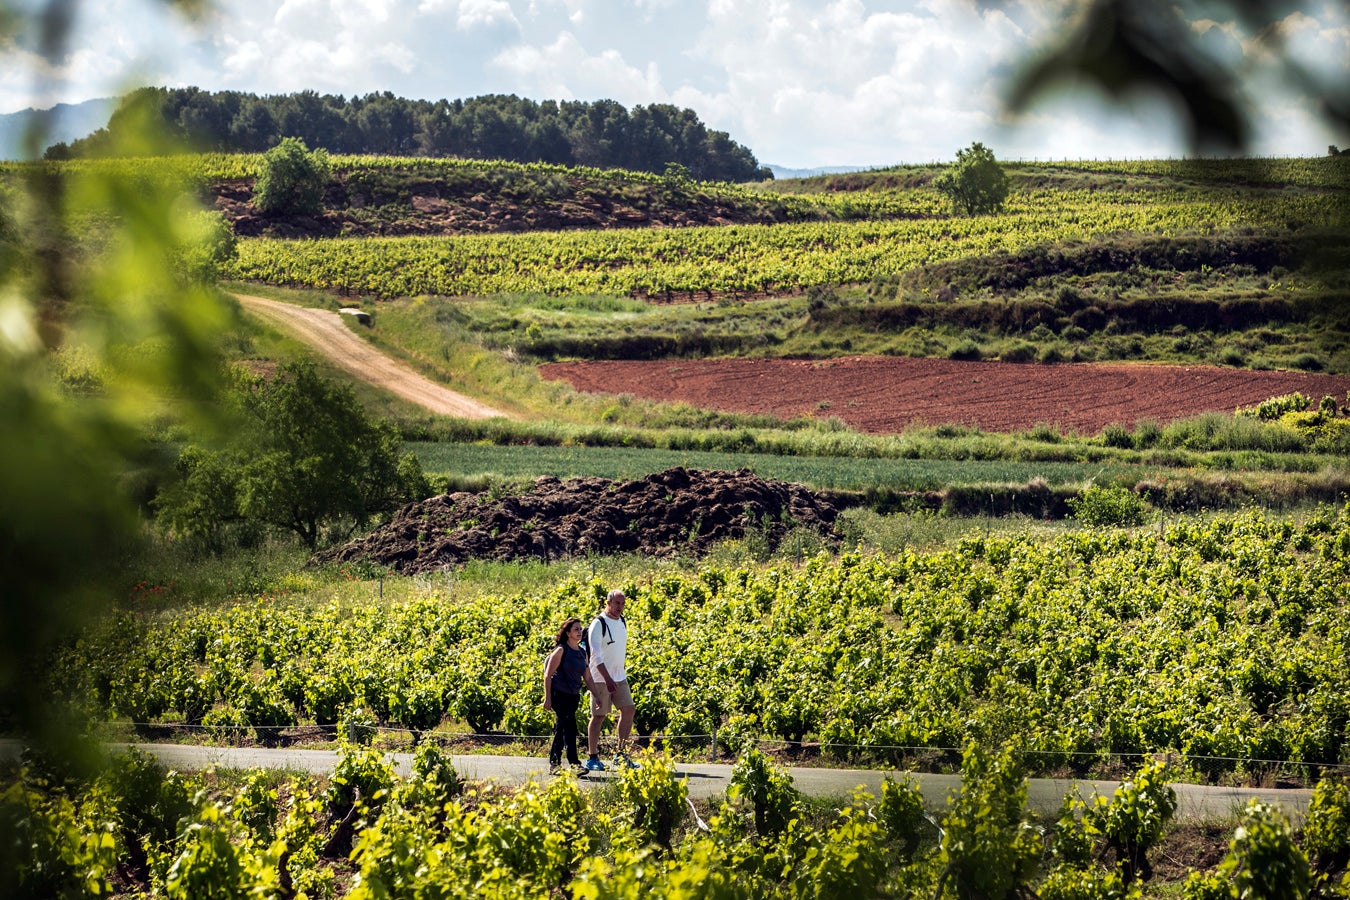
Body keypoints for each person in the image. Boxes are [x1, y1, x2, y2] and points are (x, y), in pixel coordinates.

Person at [585, 589, 638, 771]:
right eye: (616, 603)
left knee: (629, 710)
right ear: (607, 603)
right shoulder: (598, 624)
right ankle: (592, 757)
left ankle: (620, 755)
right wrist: (607, 679)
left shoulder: (622, 621)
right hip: (601, 678)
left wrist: (616, 676)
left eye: (622, 604)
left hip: (619, 676)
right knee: (599, 717)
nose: (620, 607)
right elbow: (596, 656)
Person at [542, 616, 594, 775]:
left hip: (573, 696)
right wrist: (548, 698)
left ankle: (554, 764)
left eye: (580, 629)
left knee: (561, 729)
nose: (580, 632)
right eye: (576, 629)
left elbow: (587, 677)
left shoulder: (582, 653)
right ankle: (575, 764)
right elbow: (547, 675)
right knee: (570, 728)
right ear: (568, 633)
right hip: (559, 694)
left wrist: (597, 695)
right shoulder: (561, 650)